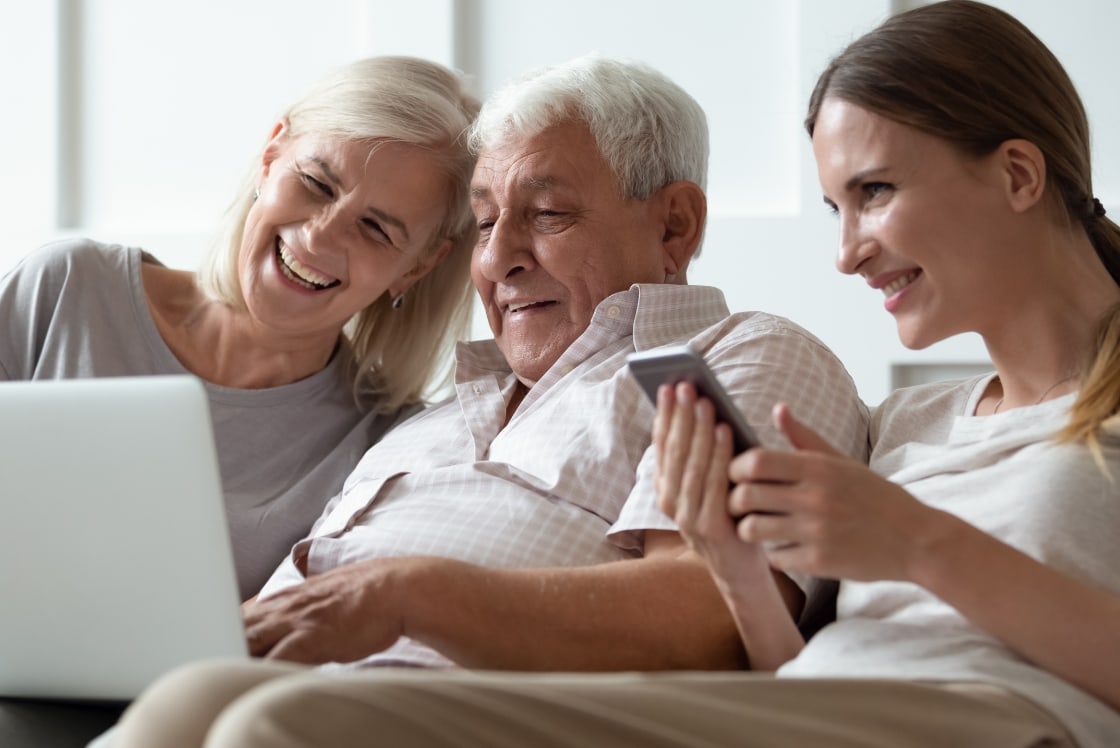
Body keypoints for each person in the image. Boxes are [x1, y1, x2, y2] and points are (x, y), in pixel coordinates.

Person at [102, 53, 869, 747]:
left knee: (256, 723)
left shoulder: (740, 355)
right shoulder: (423, 418)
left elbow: (713, 616)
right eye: (486, 221)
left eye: (546, 214)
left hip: (461, 715)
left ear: (674, 226)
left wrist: (410, 595)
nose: (499, 258)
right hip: (261, 688)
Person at [0, 56, 480, 601]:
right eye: (317, 183)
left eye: (375, 228)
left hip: (192, 688)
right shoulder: (66, 291)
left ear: (416, 266)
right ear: (272, 154)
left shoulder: (382, 444)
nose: (320, 238)